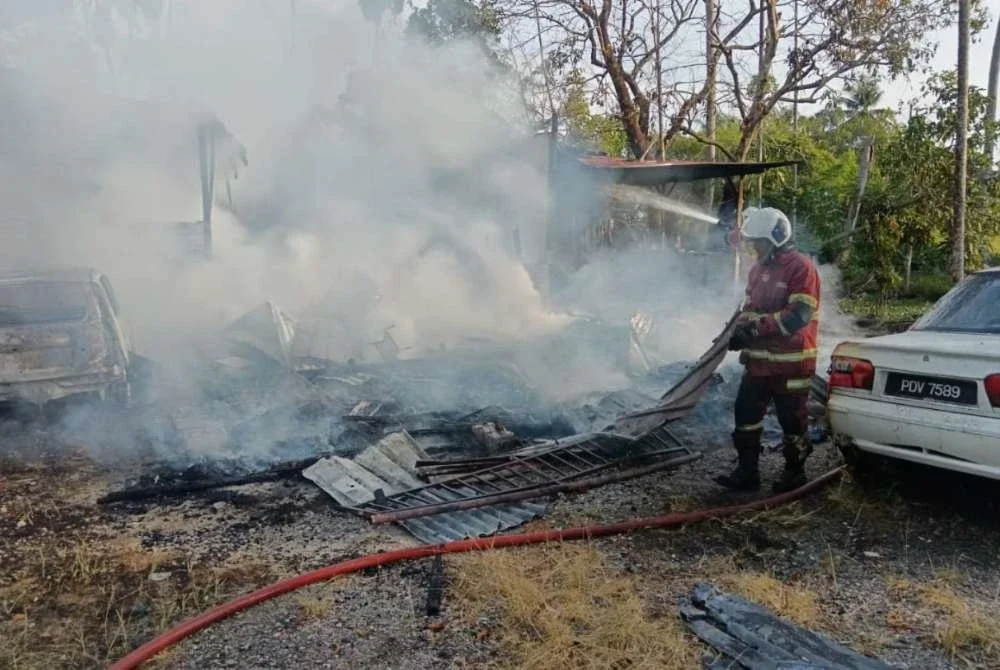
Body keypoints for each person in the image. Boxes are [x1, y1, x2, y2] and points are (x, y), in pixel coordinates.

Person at [716, 207, 821, 493]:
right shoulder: (759, 269)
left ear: (776, 239)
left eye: (758, 242)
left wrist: (756, 330)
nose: (754, 248)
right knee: (745, 414)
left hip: (792, 363)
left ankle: (795, 473)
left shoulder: (801, 267)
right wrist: (738, 330)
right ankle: (747, 472)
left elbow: (799, 315)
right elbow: (750, 308)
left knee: (792, 422)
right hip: (760, 364)